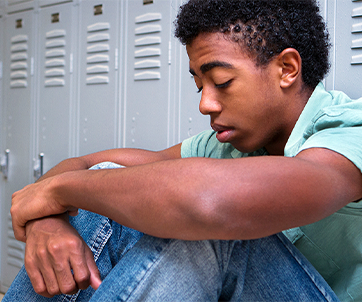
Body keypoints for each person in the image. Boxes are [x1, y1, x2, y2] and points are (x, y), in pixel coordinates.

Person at [4, 0, 362, 301]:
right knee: (110, 181)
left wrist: (54, 192)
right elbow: (87, 164)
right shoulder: (231, 146)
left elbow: (209, 200)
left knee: (208, 226)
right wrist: (47, 220)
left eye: (222, 82)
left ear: (287, 69)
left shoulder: (349, 130)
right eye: (199, 86)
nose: (205, 104)